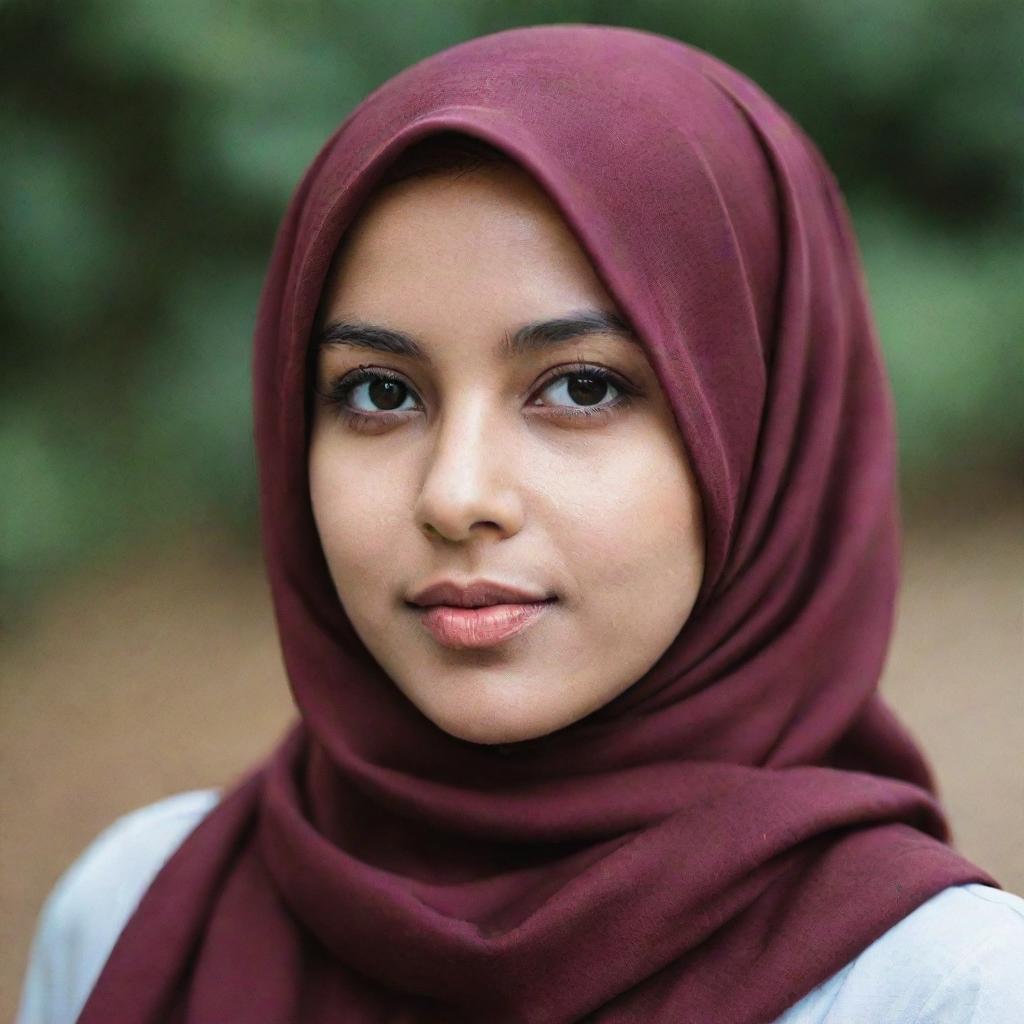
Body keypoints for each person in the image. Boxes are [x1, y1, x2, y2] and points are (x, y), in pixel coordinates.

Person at [16, 23, 1024, 1024]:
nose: (455, 496)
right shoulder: (132, 910)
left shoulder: (939, 991)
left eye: (580, 387)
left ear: (764, 430)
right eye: (378, 393)